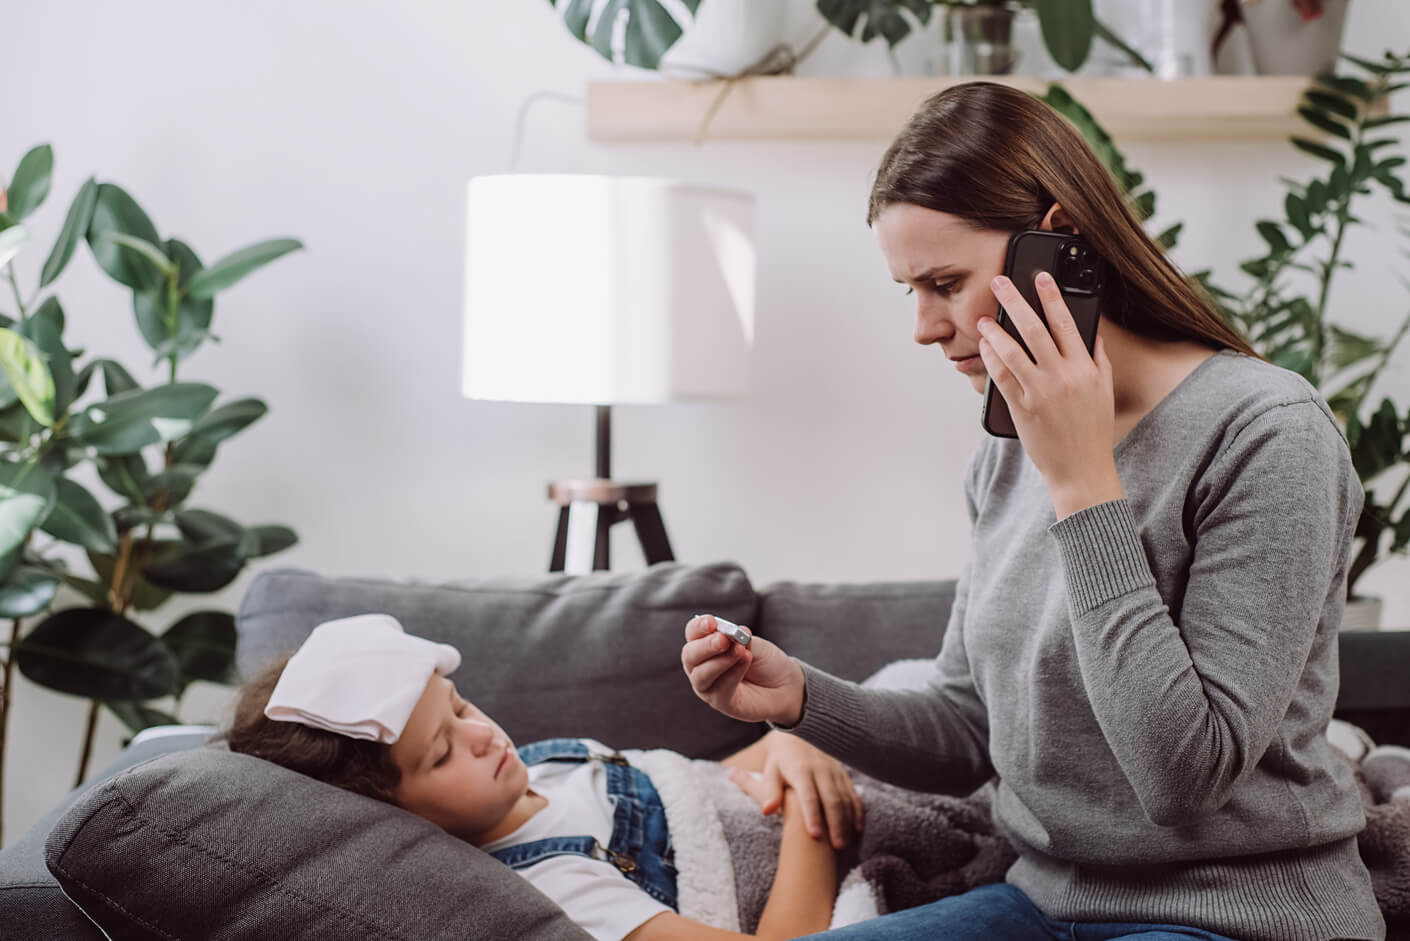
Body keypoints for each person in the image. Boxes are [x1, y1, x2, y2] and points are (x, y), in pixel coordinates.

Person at [680, 81, 1386, 941]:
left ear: (1059, 244)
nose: (926, 328)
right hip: (1045, 901)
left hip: (1234, 915)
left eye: (946, 281)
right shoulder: (1006, 447)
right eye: (911, 290)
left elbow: (1182, 779)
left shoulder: (1268, 433)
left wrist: (1083, 481)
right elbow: (967, 723)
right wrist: (797, 698)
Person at [223, 614, 862, 941]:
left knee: (906, 698)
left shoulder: (547, 764)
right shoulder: (553, 891)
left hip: (805, 791)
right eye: (442, 753)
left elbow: (695, 786)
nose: (483, 736)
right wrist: (813, 813)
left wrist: (797, 743)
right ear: (393, 820)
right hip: (825, 851)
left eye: (461, 706)